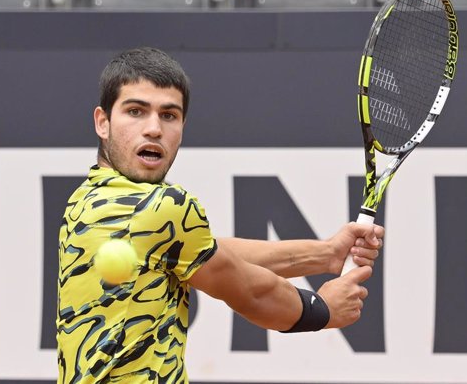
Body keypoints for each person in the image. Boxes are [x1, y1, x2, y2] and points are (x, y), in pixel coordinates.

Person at [56, 47, 384, 384]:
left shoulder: (84, 201)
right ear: (103, 122)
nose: (153, 128)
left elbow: (209, 253)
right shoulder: (163, 207)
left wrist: (326, 254)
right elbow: (252, 293)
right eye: (136, 111)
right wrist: (323, 307)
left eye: (169, 115)